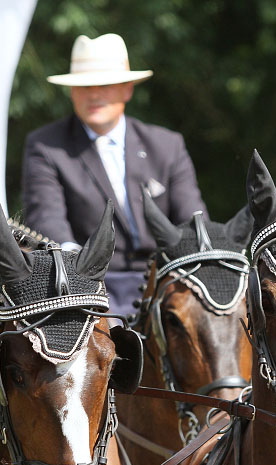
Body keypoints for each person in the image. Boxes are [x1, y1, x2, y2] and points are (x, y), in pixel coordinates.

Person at [22, 33, 207, 315]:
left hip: (166, 283)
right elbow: (47, 219)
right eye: (84, 86)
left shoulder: (167, 145)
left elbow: (193, 221)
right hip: (88, 286)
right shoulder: (46, 147)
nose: (94, 94)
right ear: (72, 92)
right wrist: (78, 267)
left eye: (105, 85)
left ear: (127, 89)